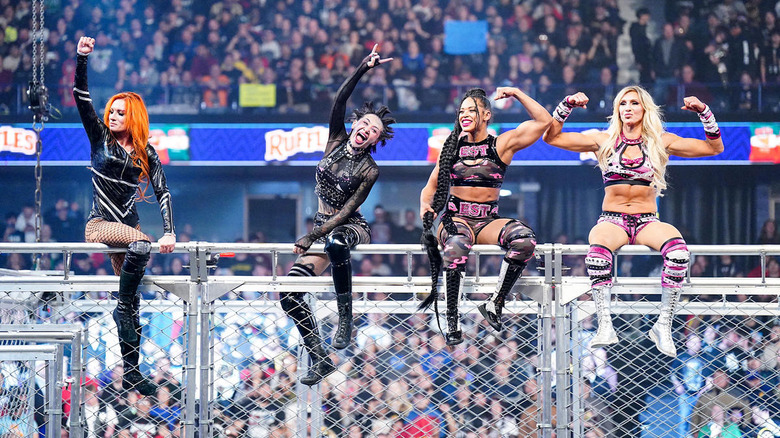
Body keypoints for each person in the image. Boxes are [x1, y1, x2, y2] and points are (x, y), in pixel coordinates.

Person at [542, 86, 723, 357]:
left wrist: (704, 112)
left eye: (634, 103)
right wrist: (566, 104)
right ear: (617, 110)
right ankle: (605, 325)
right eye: (623, 103)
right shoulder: (603, 140)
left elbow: (714, 147)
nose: (628, 107)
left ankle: (663, 324)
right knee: (597, 257)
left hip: (647, 220)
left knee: (678, 253)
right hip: (612, 220)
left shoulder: (661, 141)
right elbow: (551, 137)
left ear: (644, 109)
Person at [281, 45, 395, 386]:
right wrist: (362, 68)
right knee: (289, 295)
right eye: (365, 123)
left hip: (351, 228)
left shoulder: (370, 169)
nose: (368, 129)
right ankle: (319, 356)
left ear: (376, 139)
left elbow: (347, 211)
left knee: (335, 241)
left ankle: (346, 317)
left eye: (375, 129)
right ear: (356, 123)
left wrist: (311, 237)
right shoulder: (335, 138)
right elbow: (339, 100)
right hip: (321, 229)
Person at [74, 36, 176, 395]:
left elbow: (163, 190)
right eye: (112, 111)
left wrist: (170, 232)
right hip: (100, 224)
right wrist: (82, 59)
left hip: (130, 230)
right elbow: (81, 99)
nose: (113, 115)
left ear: (132, 116)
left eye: (120, 112)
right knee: (140, 245)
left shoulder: (146, 150)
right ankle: (120, 307)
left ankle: (131, 370)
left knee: (132, 304)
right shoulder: (99, 137)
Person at [419, 86, 551, 345]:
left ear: (487, 114)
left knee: (525, 239)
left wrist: (516, 93)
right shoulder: (451, 148)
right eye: (461, 111)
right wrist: (426, 208)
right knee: (457, 244)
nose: (464, 115)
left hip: (488, 220)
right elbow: (430, 187)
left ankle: (495, 303)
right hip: (455, 219)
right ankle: (452, 317)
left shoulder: (501, 144)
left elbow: (544, 121)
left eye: (472, 110)